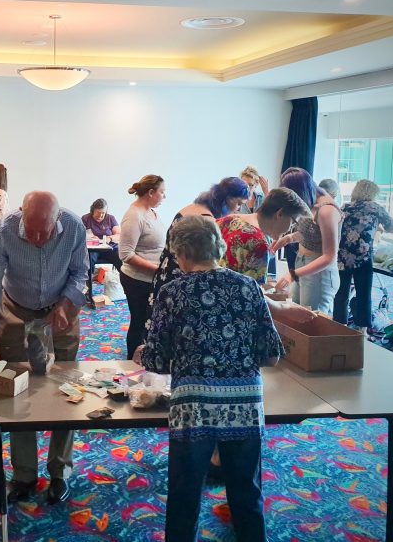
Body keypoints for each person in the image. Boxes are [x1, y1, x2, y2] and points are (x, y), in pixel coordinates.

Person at [134, 216, 283, 542]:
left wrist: (143, 351)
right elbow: (271, 354)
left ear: (182, 252)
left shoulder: (172, 293)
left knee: (185, 495)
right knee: (246, 493)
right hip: (244, 406)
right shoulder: (249, 288)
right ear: (218, 247)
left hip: (193, 410)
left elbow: (157, 362)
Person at [0, 191, 88, 506]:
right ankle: (24, 474)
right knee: (19, 392)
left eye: (45, 232)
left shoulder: (75, 227)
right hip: (16, 310)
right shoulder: (3, 230)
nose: (38, 239)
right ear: (21, 215)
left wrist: (66, 304)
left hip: (61, 311)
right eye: (31, 230)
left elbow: (81, 274)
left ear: (57, 219)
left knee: (67, 391)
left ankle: (59, 472)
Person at [151, 177, 249, 309]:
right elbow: (206, 262)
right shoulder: (206, 220)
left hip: (165, 274)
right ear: (226, 198)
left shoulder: (193, 207)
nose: (238, 209)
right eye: (238, 203)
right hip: (181, 280)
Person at [273, 168, 342, 314]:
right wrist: (288, 238)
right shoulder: (310, 201)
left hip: (319, 272)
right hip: (303, 262)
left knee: (311, 321)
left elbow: (329, 257)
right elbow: (313, 232)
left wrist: (293, 274)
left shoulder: (326, 210)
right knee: (296, 312)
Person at [333, 180, 393, 334]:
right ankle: (361, 331)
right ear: (373, 193)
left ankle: (338, 328)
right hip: (363, 257)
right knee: (364, 294)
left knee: (341, 293)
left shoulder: (345, 207)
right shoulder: (375, 208)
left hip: (342, 255)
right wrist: (380, 228)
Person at [218, 188, 311, 284]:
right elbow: (253, 294)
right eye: (293, 222)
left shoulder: (226, 220)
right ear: (280, 214)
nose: (290, 229)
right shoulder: (259, 244)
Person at [119, 176, 167, 359]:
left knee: (151, 321)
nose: (164, 196)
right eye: (162, 192)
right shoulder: (134, 215)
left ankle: (147, 357)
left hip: (152, 278)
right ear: (151, 192)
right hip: (137, 279)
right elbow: (126, 254)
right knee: (139, 322)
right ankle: (132, 360)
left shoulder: (152, 212)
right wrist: (157, 270)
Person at [82, 198, 122, 272]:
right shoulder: (86, 218)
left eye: (103, 213)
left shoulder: (110, 218)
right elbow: (81, 235)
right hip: (93, 249)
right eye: (98, 212)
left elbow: (119, 235)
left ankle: (125, 280)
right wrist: (91, 238)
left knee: (120, 258)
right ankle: (89, 282)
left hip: (109, 248)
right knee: (88, 260)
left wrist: (110, 238)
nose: (101, 215)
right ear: (93, 210)